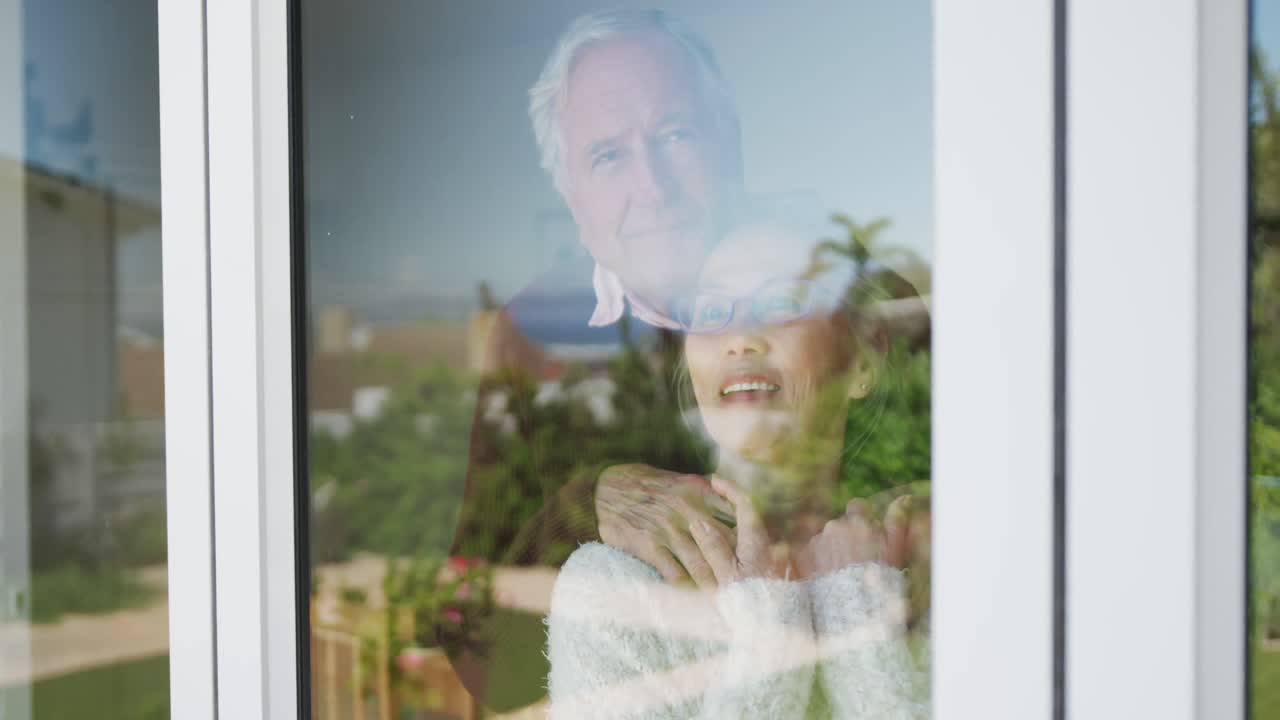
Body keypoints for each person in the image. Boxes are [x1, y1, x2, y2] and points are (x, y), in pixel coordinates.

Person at [546, 219, 929, 718]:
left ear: (862, 358)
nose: (741, 338)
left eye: (784, 303)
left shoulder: (918, 563)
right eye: (711, 311)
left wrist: (855, 600)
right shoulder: (617, 588)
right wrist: (775, 632)